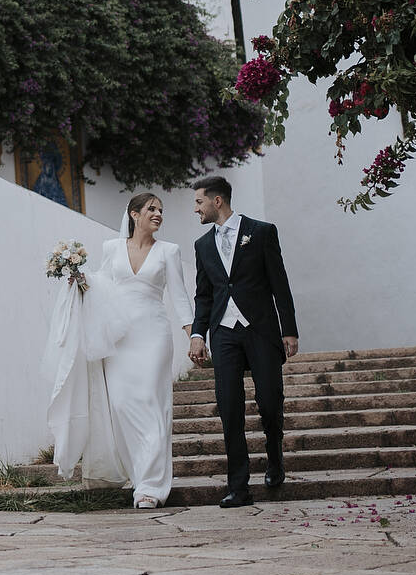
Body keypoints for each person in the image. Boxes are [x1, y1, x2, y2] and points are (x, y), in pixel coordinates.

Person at [45, 192, 193, 508]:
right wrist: (78, 277)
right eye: (152, 209)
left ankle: (151, 488)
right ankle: (139, 475)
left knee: (152, 404)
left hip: (153, 335)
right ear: (134, 214)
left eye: (161, 210)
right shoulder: (111, 248)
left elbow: (180, 298)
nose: (158, 214)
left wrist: (194, 335)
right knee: (123, 405)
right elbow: (102, 285)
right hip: (120, 336)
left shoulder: (169, 251)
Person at [188, 174, 298, 508]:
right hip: (223, 334)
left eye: (198, 202)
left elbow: (280, 283)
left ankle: (275, 456)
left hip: (261, 329)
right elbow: (204, 296)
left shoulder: (262, 232)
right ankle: (239, 485)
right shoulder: (202, 246)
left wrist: (289, 330)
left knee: (268, 401)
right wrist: (197, 334)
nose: (196, 209)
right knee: (229, 408)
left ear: (216, 200)